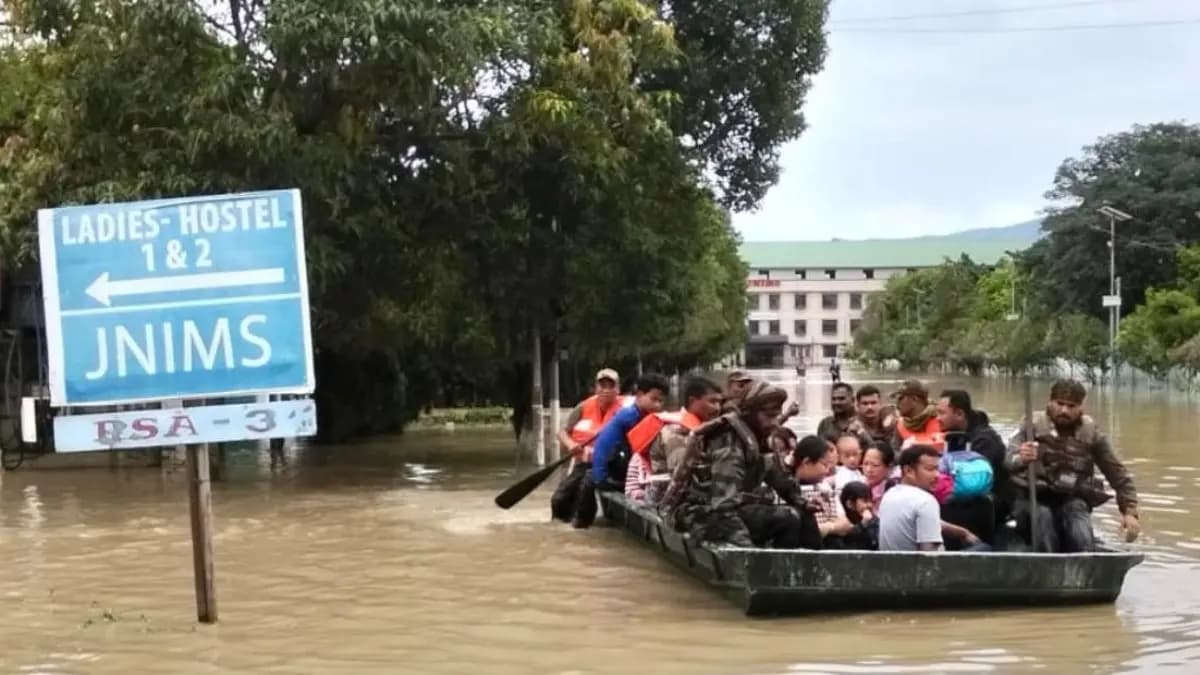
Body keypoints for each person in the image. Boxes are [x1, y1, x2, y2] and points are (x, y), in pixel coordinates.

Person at [660, 380, 822, 549]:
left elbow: (778, 478)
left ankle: (814, 566)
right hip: (702, 514)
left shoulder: (759, 437)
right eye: (769, 416)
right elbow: (722, 506)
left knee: (803, 513)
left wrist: (802, 502)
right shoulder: (729, 442)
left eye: (776, 415)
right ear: (750, 413)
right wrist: (746, 550)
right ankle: (780, 570)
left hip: (732, 509)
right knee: (787, 518)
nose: (774, 422)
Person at [1007, 379, 1141, 552]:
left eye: (1071, 406)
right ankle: (1045, 563)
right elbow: (1008, 459)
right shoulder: (1030, 426)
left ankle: (1085, 560)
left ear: (1080, 407)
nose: (1064, 410)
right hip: (1032, 498)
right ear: (1050, 402)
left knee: (1078, 523)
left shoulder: (1091, 433)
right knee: (1042, 519)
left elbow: (1118, 474)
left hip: (1071, 498)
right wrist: (1021, 458)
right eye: (1060, 404)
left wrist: (1129, 512)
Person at [574, 373, 669, 528]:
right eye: (654, 399)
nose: (657, 405)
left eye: (661, 401)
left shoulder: (642, 415)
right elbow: (607, 447)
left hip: (615, 471)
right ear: (639, 395)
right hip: (611, 475)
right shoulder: (631, 417)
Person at [550, 368, 621, 522]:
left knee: (584, 495)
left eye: (611, 386)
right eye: (602, 386)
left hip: (610, 465)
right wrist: (571, 444)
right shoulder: (584, 406)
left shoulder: (625, 410)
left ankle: (583, 525)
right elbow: (562, 431)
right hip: (584, 463)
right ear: (596, 388)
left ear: (618, 389)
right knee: (558, 500)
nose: (606, 390)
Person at [936, 389, 1007, 543]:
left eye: (942, 413)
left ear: (960, 414)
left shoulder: (985, 440)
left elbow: (972, 483)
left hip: (990, 501)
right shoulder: (952, 437)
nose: (937, 418)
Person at [878, 445, 945, 552]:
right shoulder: (926, 501)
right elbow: (930, 556)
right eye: (930, 469)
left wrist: (962, 533)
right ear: (909, 471)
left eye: (937, 469)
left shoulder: (889, 495)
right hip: (915, 567)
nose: (937, 475)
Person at [890, 380, 944, 452]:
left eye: (900, 398)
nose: (896, 404)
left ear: (914, 399)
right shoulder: (900, 424)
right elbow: (894, 452)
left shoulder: (941, 420)